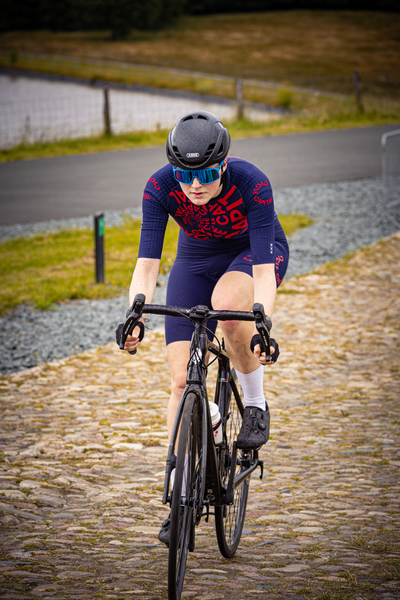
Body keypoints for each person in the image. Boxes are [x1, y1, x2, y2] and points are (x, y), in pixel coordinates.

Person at [118, 110, 289, 544]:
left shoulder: (253, 183)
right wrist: (133, 313)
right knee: (180, 380)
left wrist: (262, 322)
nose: (194, 185)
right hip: (195, 259)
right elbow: (147, 264)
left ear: (224, 165)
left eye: (207, 174)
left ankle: (254, 403)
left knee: (229, 307)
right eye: (184, 174)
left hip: (252, 254)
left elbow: (265, 275)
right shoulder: (159, 188)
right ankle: (180, 497)